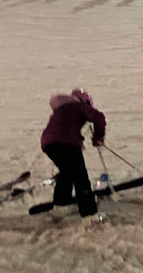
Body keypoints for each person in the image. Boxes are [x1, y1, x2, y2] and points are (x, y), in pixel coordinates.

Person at [40, 89, 106, 224]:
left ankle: (60, 207)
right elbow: (99, 117)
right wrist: (98, 137)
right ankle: (90, 216)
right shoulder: (79, 106)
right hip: (67, 143)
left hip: (48, 145)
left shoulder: (61, 110)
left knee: (67, 173)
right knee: (80, 177)